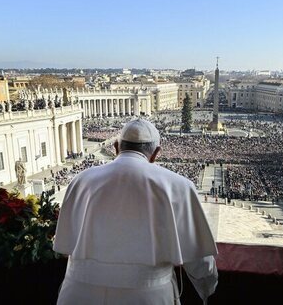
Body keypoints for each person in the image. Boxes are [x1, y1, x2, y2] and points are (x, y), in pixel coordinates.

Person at [53, 118, 218, 305]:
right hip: (146, 296)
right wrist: (207, 289)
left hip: (77, 293)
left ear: (116, 147)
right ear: (156, 153)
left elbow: (65, 245)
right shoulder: (179, 186)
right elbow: (199, 259)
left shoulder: (80, 180)